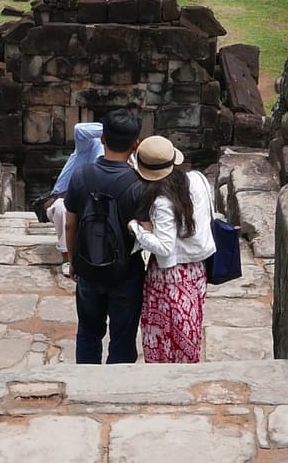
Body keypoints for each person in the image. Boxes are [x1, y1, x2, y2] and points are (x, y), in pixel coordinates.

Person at [63, 107, 149, 364]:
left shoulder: (81, 176)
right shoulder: (138, 184)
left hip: (88, 267)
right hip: (126, 273)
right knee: (123, 336)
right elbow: (146, 231)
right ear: (135, 144)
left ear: (102, 139)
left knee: (88, 332)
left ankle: (85, 383)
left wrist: (73, 261)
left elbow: (70, 224)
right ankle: (116, 389)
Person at [129, 134, 215, 365]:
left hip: (169, 277)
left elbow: (164, 248)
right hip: (197, 270)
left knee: (163, 336)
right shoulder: (198, 180)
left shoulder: (162, 202)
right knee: (188, 329)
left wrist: (137, 229)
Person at [47, 118, 103, 239]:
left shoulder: (126, 159)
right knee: (61, 208)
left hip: (92, 206)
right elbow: (80, 129)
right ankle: (66, 254)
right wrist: (113, 131)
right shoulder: (91, 145)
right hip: (64, 199)